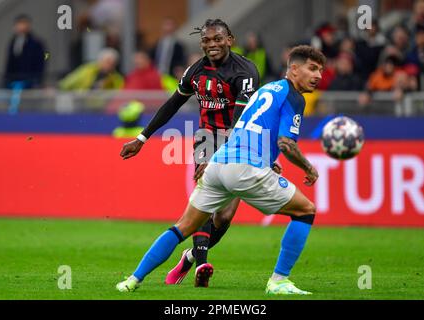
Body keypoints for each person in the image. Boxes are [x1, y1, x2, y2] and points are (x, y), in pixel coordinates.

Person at [116, 45, 324, 295]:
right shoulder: (294, 97)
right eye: (312, 68)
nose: (318, 76)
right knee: (305, 211)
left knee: (183, 227)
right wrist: (309, 168)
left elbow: (246, 126)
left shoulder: (266, 89)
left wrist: (266, 159)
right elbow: (286, 143)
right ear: (293, 69)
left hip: (219, 162)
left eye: (321, 70)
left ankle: (132, 280)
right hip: (245, 168)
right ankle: (279, 280)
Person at [117, 19, 260, 288]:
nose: (212, 44)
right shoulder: (196, 71)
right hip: (207, 138)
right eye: (206, 40)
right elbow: (172, 104)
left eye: (218, 39)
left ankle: (190, 256)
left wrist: (222, 158)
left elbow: (239, 120)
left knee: (225, 217)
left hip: (240, 140)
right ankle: (203, 263)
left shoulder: (245, 71)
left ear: (230, 39)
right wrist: (142, 138)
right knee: (204, 203)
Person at [4, 14, 46, 89]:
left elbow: (42, 61)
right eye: (19, 24)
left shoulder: (36, 43)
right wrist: (7, 79)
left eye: (23, 24)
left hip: (30, 81)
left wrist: (37, 79)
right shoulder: (13, 42)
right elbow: (10, 62)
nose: (20, 26)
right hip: (14, 81)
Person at [58, 47, 124, 91]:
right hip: (82, 105)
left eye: (112, 63)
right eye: (107, 62)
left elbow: (119, 94)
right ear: (100, 61)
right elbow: (69, 82)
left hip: (104, 109)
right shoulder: (88, 70)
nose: (109, 66)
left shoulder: (117, 78)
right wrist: (57, 88)